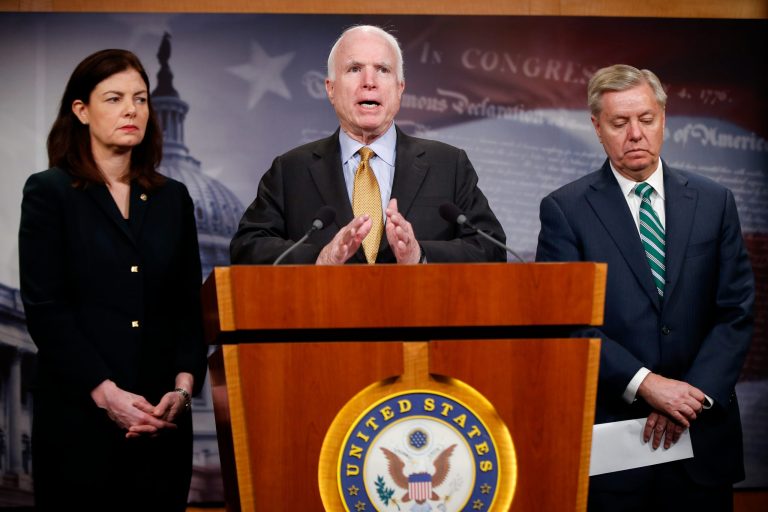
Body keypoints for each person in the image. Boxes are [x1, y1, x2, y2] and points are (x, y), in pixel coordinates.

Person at [536, 64, 754, 511]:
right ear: (597, 127)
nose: (635, 133)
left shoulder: (715, 202)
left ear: (664, 119)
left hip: (702, 440)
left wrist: (688, 398)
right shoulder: (565, 210)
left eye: (646, 119)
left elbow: (735, 312)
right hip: (616, 450)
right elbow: (566, 324)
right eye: (619, 123)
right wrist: (647, 384)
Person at [18, 49, 208, 511]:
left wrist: (183, 389)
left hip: (161, 425)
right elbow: (46, 311)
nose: (131, 110)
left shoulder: (174, 198)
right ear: (81, 111)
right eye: (115, 98)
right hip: (78, 424)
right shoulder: (50, 192)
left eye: (140, 99)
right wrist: (107, 394)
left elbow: (189, 308)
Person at [230, 25, 505, 265]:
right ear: (330, 88)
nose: (369, 82)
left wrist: (419, 256)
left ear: (400, 88)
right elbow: (247, 248)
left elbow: (491, 248)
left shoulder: (449, 165)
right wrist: (321, 258)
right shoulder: (290, 170)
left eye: (382, 70)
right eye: (354, 69)